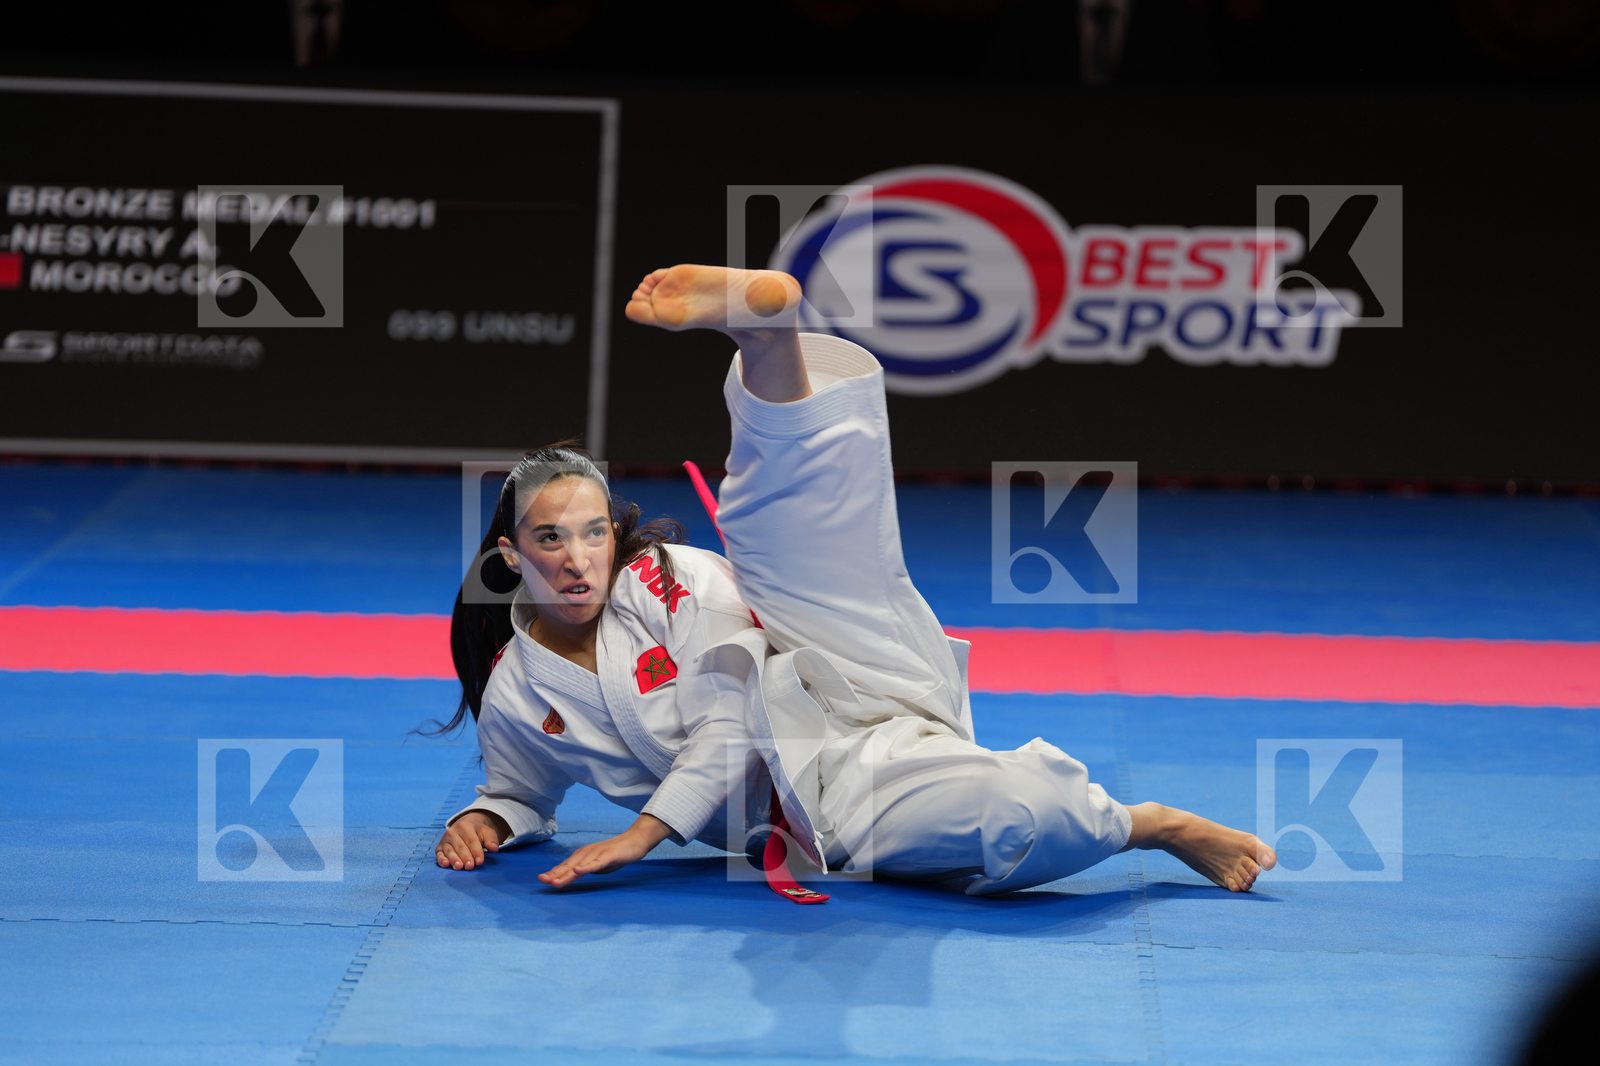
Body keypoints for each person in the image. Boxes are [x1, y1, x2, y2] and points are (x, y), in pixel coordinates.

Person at [434, 264, 1276, 899]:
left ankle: (767, 336)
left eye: (593, 533)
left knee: (783, 537)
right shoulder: (515, 691)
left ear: (614, 536)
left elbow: (731, 721)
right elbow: (518, 787)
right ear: (512, 554)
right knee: (1023, 816)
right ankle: (1152, 825)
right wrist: (485, 820)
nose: (579, 559)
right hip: (840, 790)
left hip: (839, 662)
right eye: (550, 538)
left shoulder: (663, 578)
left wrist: (645, 835)